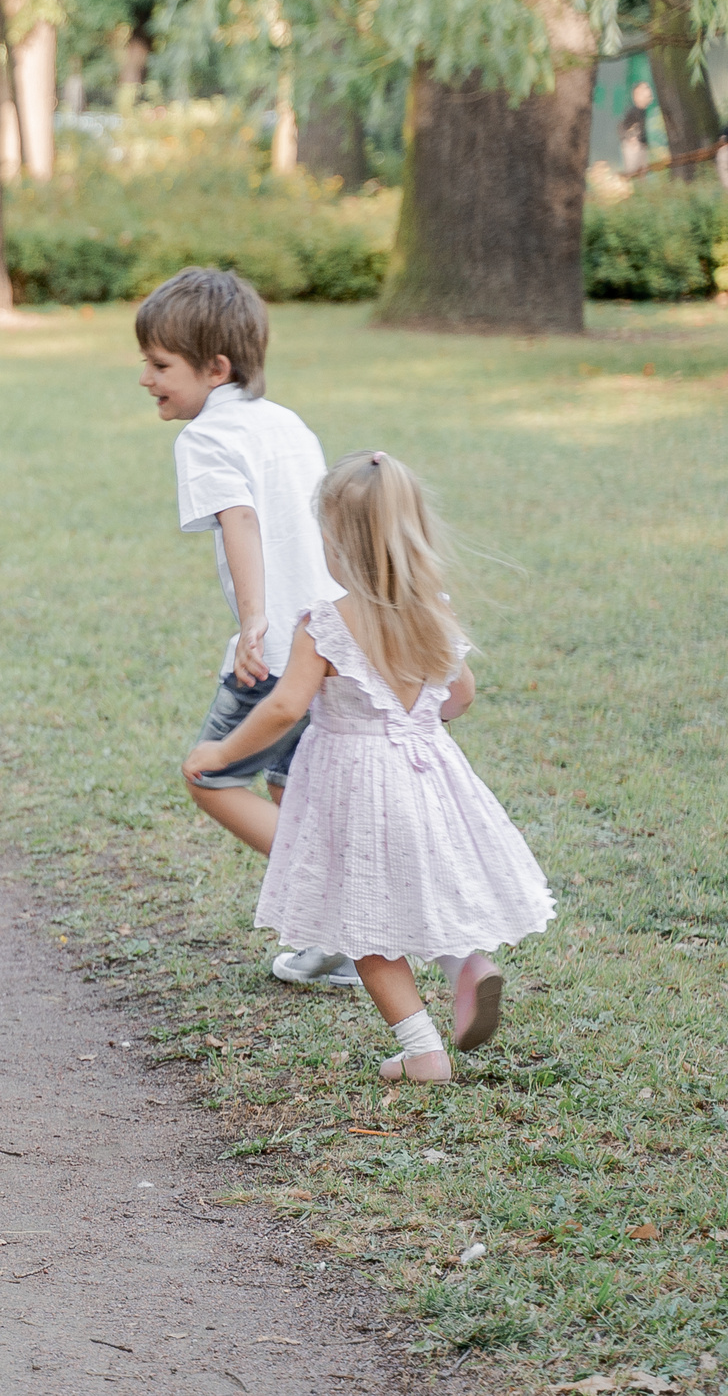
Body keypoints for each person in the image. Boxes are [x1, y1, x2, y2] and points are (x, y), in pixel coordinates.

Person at [187, 451, 554, 1082]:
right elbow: (460, 694)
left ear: (337, 546)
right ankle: (468, 963)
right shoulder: (431, 609)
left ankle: (422, 1050)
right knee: (423, 885)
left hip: (355, 786)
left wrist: (220, 753)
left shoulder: (324, 625)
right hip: (429, 776)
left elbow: (283, 709)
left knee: (362, 920)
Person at [135, 267, 357, 990]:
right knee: (295, 785)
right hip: (334, 633)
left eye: (160, 365)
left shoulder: (206, 437)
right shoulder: (287, 422)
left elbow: (241, 519)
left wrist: (255, 619)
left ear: (215, 368)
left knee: (210, 773)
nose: (146, 378)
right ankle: (334, 941)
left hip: (278, 649)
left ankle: (333, 905)